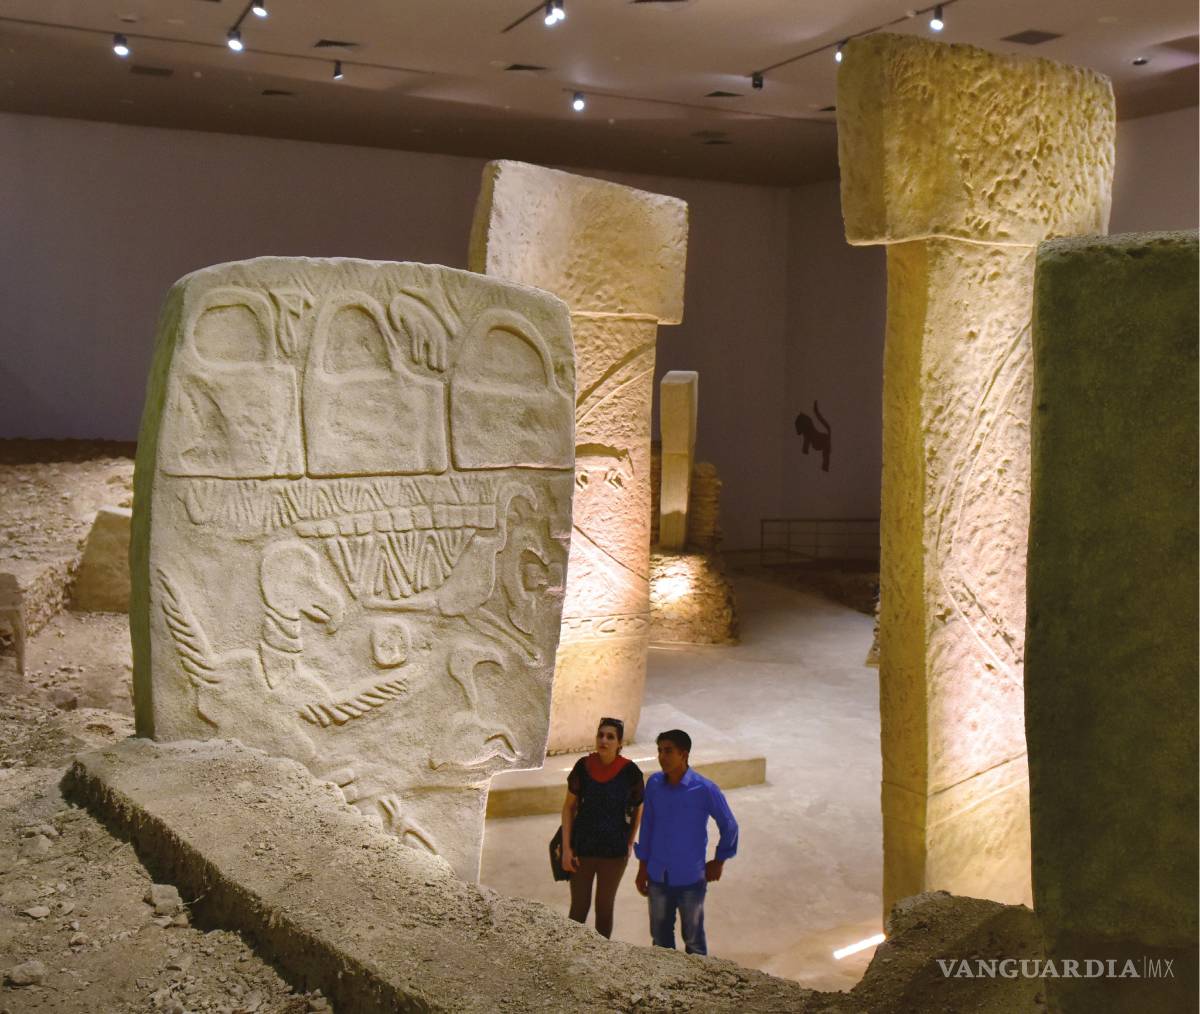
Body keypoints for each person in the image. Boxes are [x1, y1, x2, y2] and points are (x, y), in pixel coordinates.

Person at [634, 729, 738, 956]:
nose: (662, 756)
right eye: (659, 751)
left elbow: (729, 825)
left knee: (694, 940)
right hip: (658, 876)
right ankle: (666, 987)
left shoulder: (704, 789)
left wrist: (719, 860)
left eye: (668, 751)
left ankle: (697, 989)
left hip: (691, 878)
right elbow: (648, 825)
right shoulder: (653, 784)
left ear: (684, 754)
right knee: (660, 939)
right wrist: (643, 867)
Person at [560, 717, 645, 938]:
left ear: (619, 743)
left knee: (604, 910)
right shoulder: (583, 767)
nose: (604, 740)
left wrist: (629, 843)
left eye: (610, 737)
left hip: (613, 852)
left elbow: (638, 809)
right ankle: (569, 959)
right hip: (583, 849)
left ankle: (602, 964)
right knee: (578, 910)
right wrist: (567, 848)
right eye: (600, 735)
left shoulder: (631, 772)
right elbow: (569, 807)